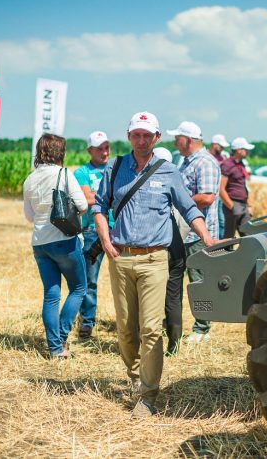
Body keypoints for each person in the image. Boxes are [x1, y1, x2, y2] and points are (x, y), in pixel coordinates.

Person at [92, 111, 216, 418]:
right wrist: (106, 240)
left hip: (155, 259)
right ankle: (135, 376)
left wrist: (208, 239)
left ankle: (148, 394)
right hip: (121, 258)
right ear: (129, 136)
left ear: (157, 137)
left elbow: (189, 208)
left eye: (148, 135)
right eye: (137, 134)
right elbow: (98, 205)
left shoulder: (168, 171)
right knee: (125, 329)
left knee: (150, 329)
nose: (142, 139)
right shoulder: (115, 167)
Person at [23, 134, 88, 359]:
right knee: (79, 288)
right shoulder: (64, 174)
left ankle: (54, 348)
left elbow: (29, 216)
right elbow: (81, 204)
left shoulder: (29, 179)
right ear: (60, 152)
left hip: (40, 243)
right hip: (64, 240)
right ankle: (61, 338)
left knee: (51, 295)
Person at [167, 121, 221, 344]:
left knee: (200, 284)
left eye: (177, 138)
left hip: (198, 234)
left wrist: (178, 201)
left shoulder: (205, 163)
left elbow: (207, 196)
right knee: (179, 281)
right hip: (185, 232)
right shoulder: (188, 161)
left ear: (188, 140)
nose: (174, 142)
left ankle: (202, 328)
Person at [73, 131, 114, 339]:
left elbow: (93, 197)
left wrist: (98, 197)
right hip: (91, 231)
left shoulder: (116, 168)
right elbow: (86, 198)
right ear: (90, 150)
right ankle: (87, 322)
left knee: (125, 280)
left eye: (106, 147)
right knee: (90, 280)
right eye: (100, 148)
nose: (105, 152)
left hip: (118, 229)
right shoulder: (81, 172)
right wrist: (110, 197)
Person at [153, 147, 185, 356]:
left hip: (159, 247)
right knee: (173, 298)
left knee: (151, 297)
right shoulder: (177, 183)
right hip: (177, 247)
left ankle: (149, 344)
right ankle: (174, 346)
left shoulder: (151, 188)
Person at [220, 137, 255, 238]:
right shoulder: (227, 164)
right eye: (245, 149)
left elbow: (244, 186)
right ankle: (226, 253)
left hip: (243, 205)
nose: (247, 151)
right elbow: (221, 189)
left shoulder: (241, 164)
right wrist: (231, 206)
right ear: (239, 150)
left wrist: (249, 206)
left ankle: (250, 253)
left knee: (248, 235)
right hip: (233, 204)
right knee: (229, 238)